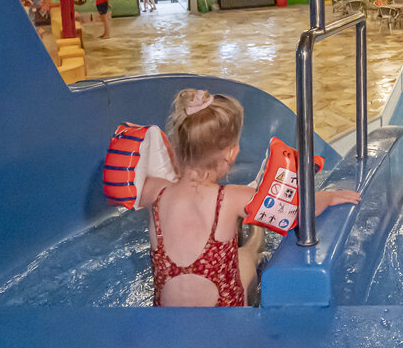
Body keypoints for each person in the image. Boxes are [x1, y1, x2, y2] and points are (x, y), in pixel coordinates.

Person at [140, 89, 360, 306]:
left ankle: (243, 231)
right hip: (225, 318)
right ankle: (255, 237)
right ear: (230, 153)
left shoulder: (154, 191)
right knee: (246, 255)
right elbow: (294, 212)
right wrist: (329, 197)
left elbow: (131, 187)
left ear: (176, 147)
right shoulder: (230, 198)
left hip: (165, 322)